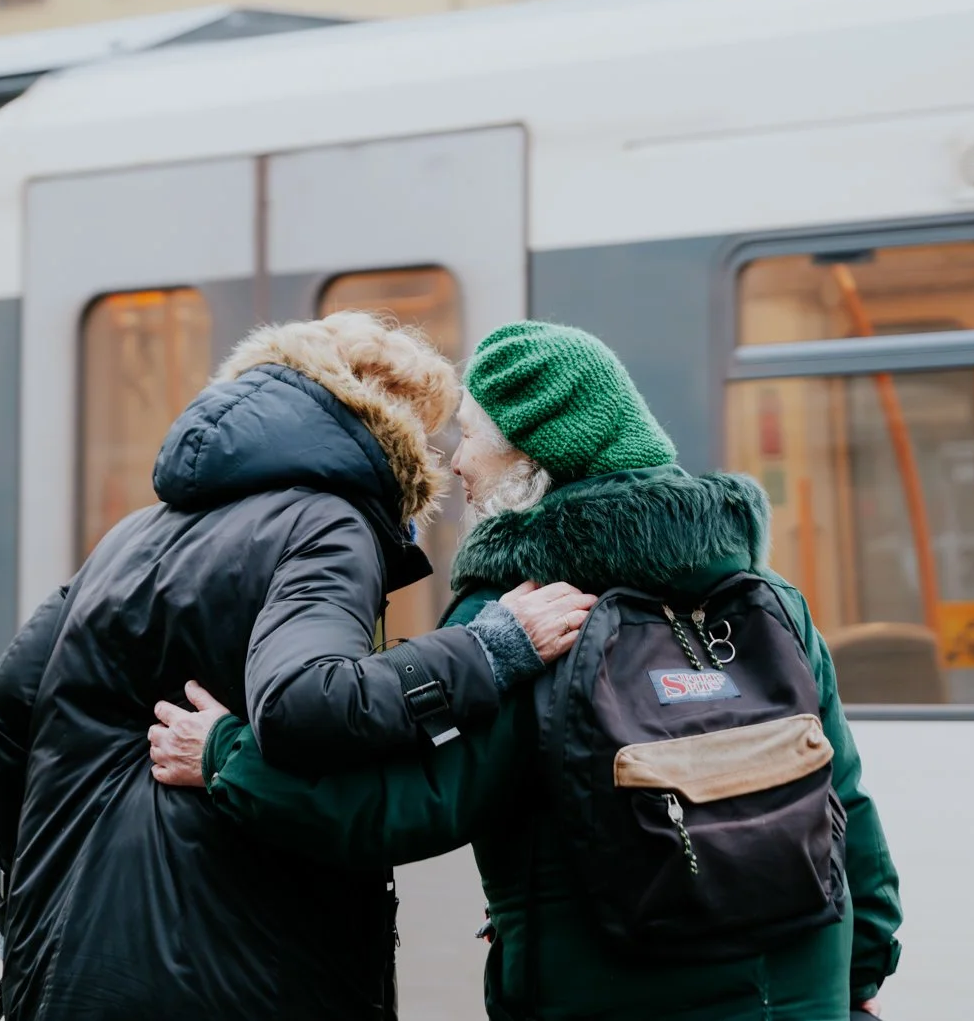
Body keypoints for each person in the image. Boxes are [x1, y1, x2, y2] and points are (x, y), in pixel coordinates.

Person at [150, 321, 903, 1021]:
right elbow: (846, 805)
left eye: (474, 437)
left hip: (615, 990)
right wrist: (859, 977)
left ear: (533, 461)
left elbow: (408, 804)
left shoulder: (532, 612)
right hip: (803, 989)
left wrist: (225, 756)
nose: (457, 462)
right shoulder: (770, 602)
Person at [0, 312, 595, 1021]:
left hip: (67, 962)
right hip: (234, 958)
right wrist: (488, 648)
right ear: (393, 426)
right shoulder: (330, 523)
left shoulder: (132, 534)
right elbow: (307, 700)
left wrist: (31, 881)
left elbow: (5, 708)